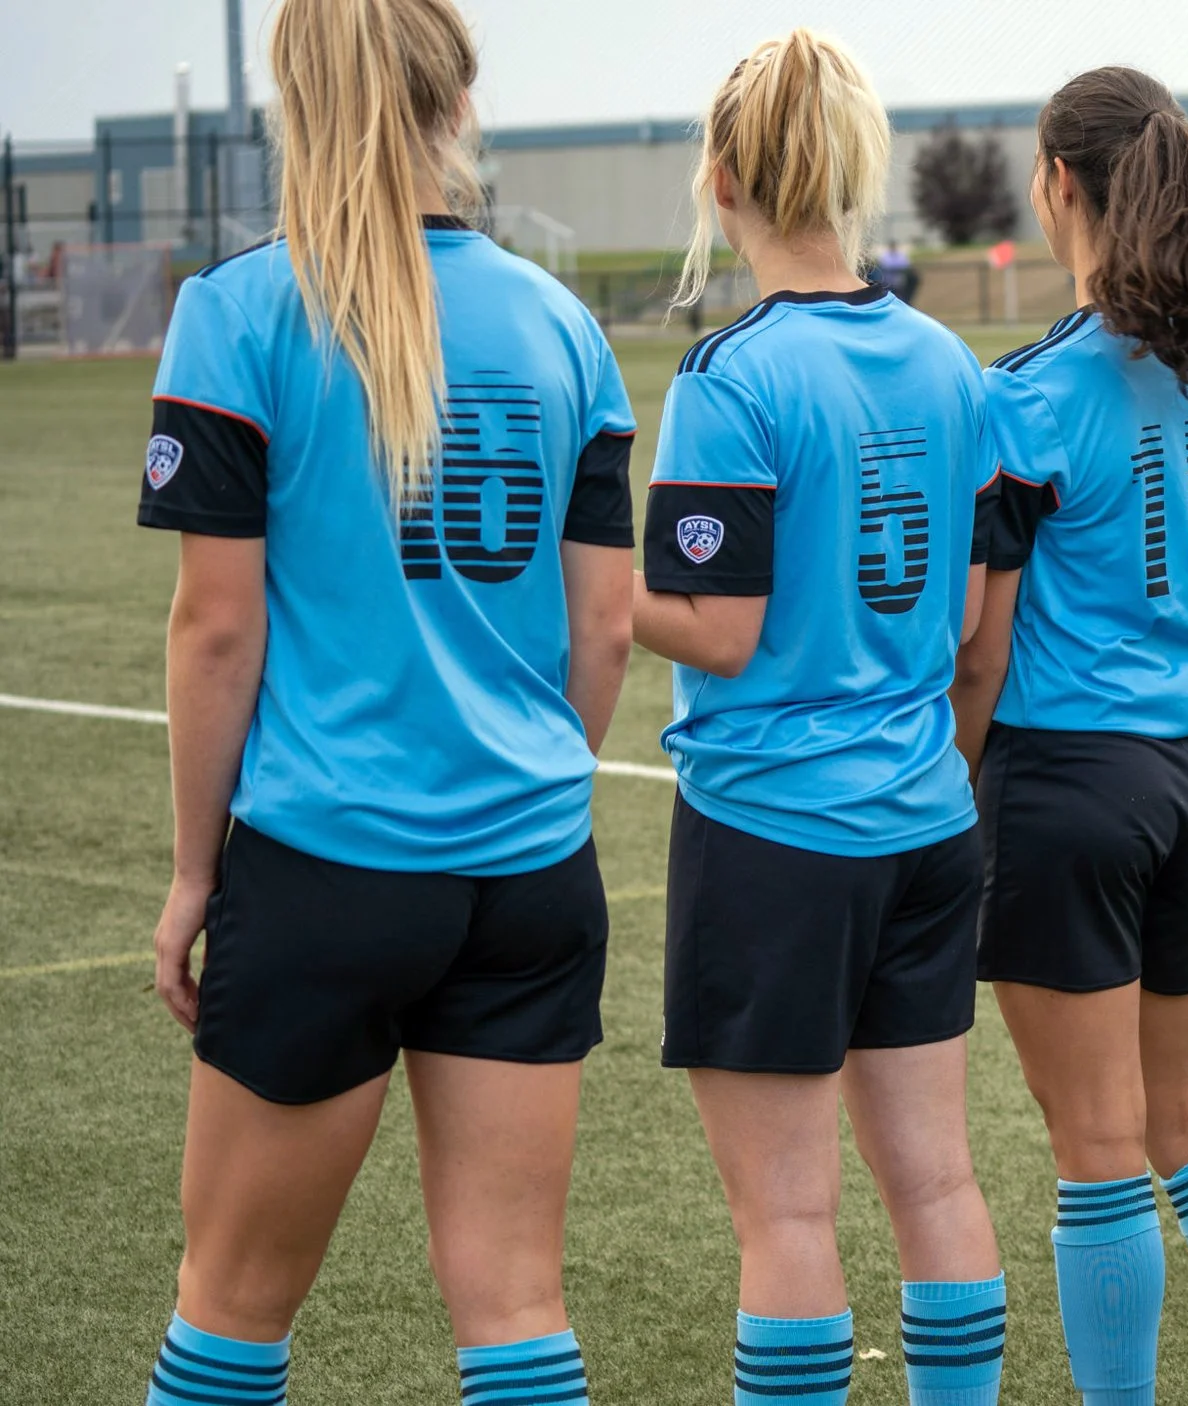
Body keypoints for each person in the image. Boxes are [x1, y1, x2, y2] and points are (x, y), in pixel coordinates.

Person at [134, 1, 633, 1402]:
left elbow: (217, 630)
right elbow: (604, 628)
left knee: (228, 1307)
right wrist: (521, 774)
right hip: (533, 871)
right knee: (518, 1306)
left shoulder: (236, 312)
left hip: (326, 869)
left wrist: (191, 876)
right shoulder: (560, 322)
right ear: (456, 94)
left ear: (296, 102)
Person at [631, 32, 1006, 1406]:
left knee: (788, 1218)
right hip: (923, 818)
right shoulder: (950, 363)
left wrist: (601, 594)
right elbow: (968, 614)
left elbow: (715, 630)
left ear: (720, 178)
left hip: (775, 828)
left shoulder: (732, 379)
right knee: (939, 1184)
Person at [950, 66, 1188, 1406]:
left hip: (1068, 782)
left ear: (1060, 184)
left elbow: (980, 645)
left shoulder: (1028, 394)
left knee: (1099, 1145)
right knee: (1178, 1113)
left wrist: (944, 780)